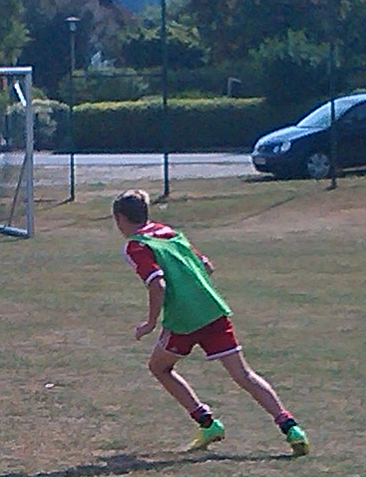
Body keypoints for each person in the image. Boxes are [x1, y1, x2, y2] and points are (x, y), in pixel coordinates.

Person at [112, 189, 308, 456]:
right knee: (244, 375)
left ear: (120, 218)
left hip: (183, 319)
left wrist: (149, 323)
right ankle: (291, 429)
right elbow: (206, 265)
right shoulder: (168, 232)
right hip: (212, 310)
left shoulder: (136, 246)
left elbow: (157, 284)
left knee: (159, 367)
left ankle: (207, 423)